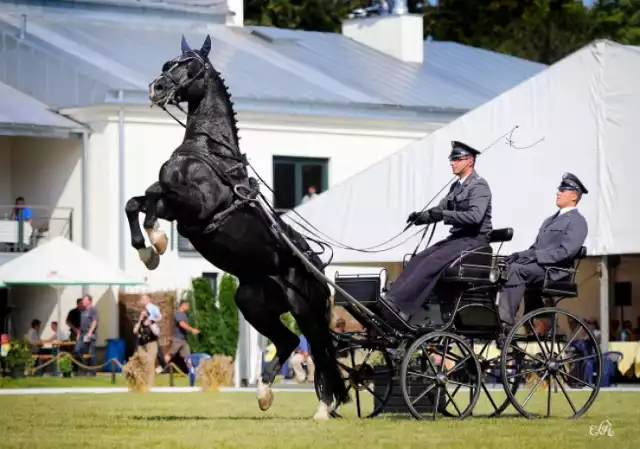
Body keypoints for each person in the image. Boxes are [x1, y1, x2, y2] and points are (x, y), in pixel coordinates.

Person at [380, 140, 492, 321]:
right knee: (418, 258)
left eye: (457, 159)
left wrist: (444, 215)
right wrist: (421, 217)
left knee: (432, 260)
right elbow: (440, 209)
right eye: (452, 159)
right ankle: (390, 299)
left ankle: (398, 305)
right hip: (458, 240)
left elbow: (475, 217)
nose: (452, 163)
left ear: (469, 161)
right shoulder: (456, 186)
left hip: (474, 240)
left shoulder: (479, 186)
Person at [497, 172, 589, 329]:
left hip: (556, 272)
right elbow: (535, 248)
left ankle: (504, 322)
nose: (557, 192)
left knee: (517, 270)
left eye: (563, 189)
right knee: (504, 266)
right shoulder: (549, 220)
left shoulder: (577, 221)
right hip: (540, 268)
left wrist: (536, 256)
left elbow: (565, 252)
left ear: (574, 196)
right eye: (559, 189)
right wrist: (518, 255)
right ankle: (498, 314)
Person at [165, 300, 200, 374]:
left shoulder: (183, 314)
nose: (188, 307)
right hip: (177, 339)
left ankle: (192, 372)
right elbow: (182, 324)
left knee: (188, 356)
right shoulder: (179, 313)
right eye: (187, 305)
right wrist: (192, 329)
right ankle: (160, 368)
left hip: (183, 340)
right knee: (170, 354)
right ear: (183, 305)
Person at [133, 309, 160, 386]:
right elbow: (134, 331)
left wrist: (150, 324)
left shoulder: (152, 323)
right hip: (141, 345)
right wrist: (139, 321)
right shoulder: (139, 323)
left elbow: (156, 333)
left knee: (150, 363)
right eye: (142, 314)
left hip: (151, 344)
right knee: (143, 362)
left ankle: (149, 384)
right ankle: (142, 381)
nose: (144, 316)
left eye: (145, 314)